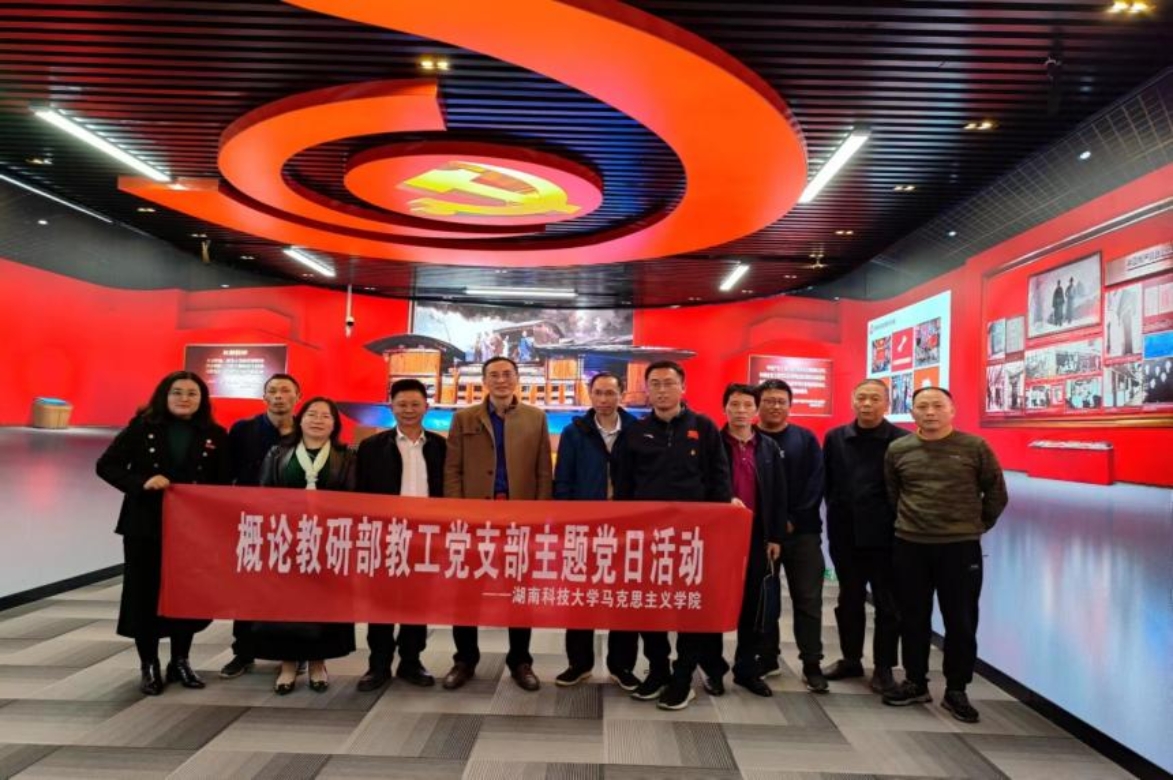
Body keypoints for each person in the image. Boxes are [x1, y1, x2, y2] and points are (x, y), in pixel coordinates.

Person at [96, 370, 231, 695]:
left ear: (202, 400)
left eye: (192, 393)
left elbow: (224, 480)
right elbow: (106, 465)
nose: (185, 398)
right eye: (177, 392)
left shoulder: (215, 433)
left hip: (194, 529)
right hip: (145, 526)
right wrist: (141, 482)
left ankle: (180, 661)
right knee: (145, 595)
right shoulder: (141, 428)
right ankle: (149, 664)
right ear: (164, 396)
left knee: (187, 595)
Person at [882, 387, 1008, 723]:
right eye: (922, 406)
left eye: (938, 405)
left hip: (959, 547)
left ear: (952, 410)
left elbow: (996, 492)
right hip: (910, 545)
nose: (930, 412)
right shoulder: (898, 449)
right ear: (912, 412)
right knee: (912, 617)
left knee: (961, 620)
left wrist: (975, 525)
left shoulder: (974, 447)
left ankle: (956, 690)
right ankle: (915, 682)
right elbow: (894, 494)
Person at [615, 360, 732, 711]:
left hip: (693, 538)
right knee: (650, 606)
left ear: (683, 387)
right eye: (655, 384)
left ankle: (683, 676)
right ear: (646, 390)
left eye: (669, 383)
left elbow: (719, 480)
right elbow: (623, 486)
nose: (662, 390)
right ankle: (658, 669)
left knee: (688, 606)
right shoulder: (635, 432)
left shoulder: (703, 427)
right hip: (647, 538)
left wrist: (716, 529)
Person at [442, 356, 553, 692]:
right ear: (484, 381)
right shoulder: (464, 417)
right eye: (494, 375)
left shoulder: (536, 417)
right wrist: (458, 514)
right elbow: (452, 469)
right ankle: (465, 659)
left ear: (517, 378)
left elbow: (543, 471)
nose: (501, 380)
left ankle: (520, 661)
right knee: (466, 592)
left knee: (519, 591)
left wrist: (539, 516)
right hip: (475, 518)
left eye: (507, 374)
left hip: (520, 518)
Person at [253, 397, 357, 694]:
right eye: (312, 414)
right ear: (300, 419)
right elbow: (263, 494)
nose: (318, 420)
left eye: (326, 416)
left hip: (328, 541)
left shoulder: (347, 456)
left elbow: (353, 497)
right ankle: (287, 665)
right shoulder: (278, 452)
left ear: (335, 424)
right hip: (285, 539)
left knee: (323, 605)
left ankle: (317, 664)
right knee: (287, 604)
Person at [353, 378, 445, 692]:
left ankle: (411, 661)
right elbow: (359, 493)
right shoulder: (371, 447)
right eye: (401, 404)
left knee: (417, 603)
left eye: (415, 404)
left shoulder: (440, 446)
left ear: (426, 407)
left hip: (426, 536)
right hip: (384, 536)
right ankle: (378, 664)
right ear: (391, 407)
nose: (408, 410)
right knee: (381, 602)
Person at [552, 372, 640, 690]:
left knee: (625, 598)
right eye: (598, 393)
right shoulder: (575, 432)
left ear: (621, 395)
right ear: (590, 395)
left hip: (626, 528)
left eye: (610, 393)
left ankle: (622, 666)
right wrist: (565, 523)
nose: (604, 399)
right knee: (580, 597)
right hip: (584, 527)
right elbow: (563, 480)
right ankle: (579, 664)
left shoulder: (636, 430)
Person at [821, 379, 910, 694]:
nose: (867, 404)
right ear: (852, 401)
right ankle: (851, 659)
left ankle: (884, 667)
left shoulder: (902, 440)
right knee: (849, 599)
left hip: (887, 535)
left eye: (874, 398)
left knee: (888, 603)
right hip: (845, 534)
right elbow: (827, 482)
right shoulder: (835, 438)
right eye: (861, 398)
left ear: (887, 403)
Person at [220, 372, 301, 680]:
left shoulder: (307, 428)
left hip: (295, 523)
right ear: (264, 397)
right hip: (252, 520)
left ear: (298, 397)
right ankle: (243, 651)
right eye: (273, 391)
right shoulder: (244, 430)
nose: (279, 396)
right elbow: (225, 473)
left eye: (286, 390)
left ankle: (292, 653)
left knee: (291, 589)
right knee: (249, 587)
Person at [755, 379, 828, 694]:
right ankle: (767, 657)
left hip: (803, 534)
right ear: (758, 404)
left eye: (780, 401)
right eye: (768, 400)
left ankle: (812, 664)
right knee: (765, 600)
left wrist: (792, 520)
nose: (774, 406)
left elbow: (816, 483)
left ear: (790, 404)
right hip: (760, 535)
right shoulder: (749, 438)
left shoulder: (805, 438)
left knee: (808, 600)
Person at [719, 383, 786, 697]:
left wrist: (775, 536)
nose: (741, 411)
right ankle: (713, 668)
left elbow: (779, 493)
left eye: (747, 405)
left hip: (758, 535)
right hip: (720, 533)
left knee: (754, 604)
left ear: (756, 410)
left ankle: (746, 668)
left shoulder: (768, 447)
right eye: (734, 404)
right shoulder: (714, 442)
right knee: (716, 600)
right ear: (725, 408)